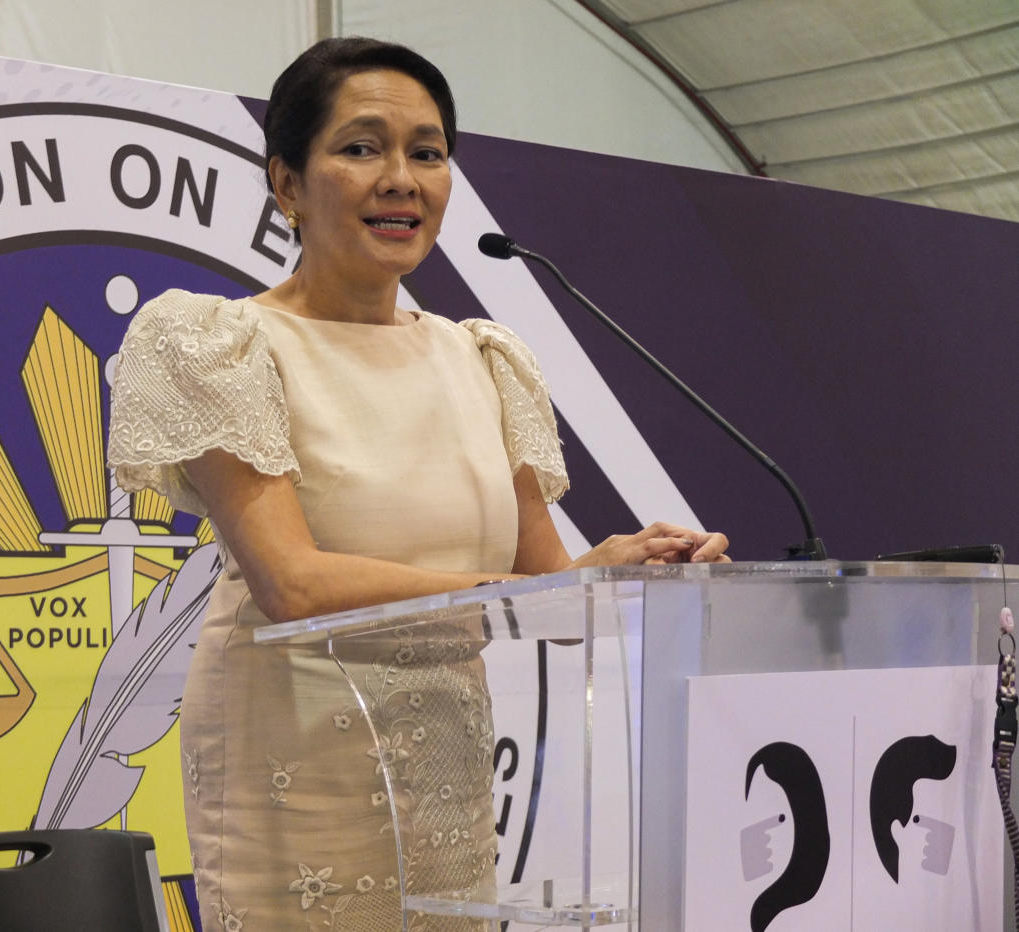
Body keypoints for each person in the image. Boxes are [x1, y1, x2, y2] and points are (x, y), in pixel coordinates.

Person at [107, 36, 729, 932]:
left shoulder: (482, 357)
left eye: (427, 153)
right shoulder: (222, 345)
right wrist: (516, 592)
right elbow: (294, 585)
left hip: (450, 750)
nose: (402, 178)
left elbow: (538, 576)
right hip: (294, 753)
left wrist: (618, 565)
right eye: (361, 148)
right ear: (286, 185)